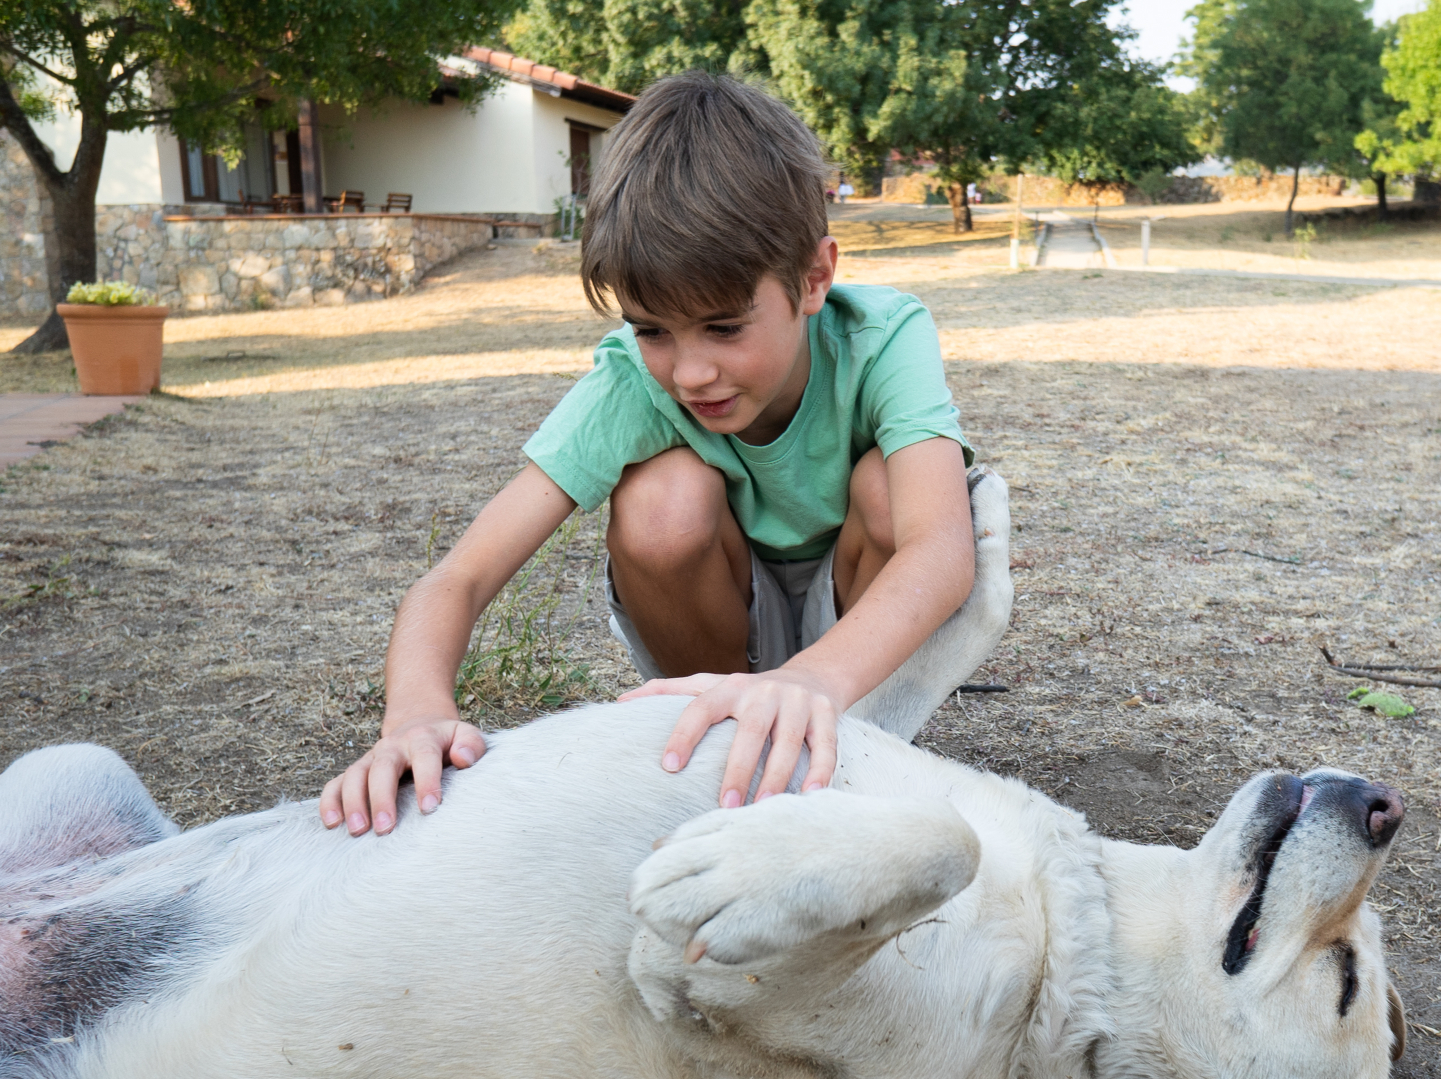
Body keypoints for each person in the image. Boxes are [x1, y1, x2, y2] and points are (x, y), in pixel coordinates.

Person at [319, 72, 978, 837]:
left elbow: (941, 548)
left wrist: (814, 680)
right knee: (661, 499)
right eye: (653, 330)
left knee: (895, 488)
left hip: (856, 624)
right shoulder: (632, 382)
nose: (689, 373)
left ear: (814, 279)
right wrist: (413, 714)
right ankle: (723, 744)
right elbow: (457, 578)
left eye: (724, 328)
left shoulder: (885, 336)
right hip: (724, 623)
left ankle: (851, 740)